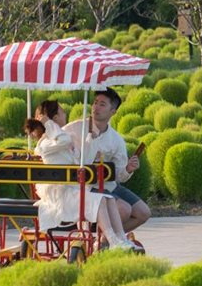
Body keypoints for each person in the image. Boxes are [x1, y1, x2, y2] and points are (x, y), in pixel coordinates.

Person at [24, 101, 142, 252]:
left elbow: (81, 160)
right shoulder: (46, 143)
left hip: (71, 191)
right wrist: (47, 123)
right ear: (53, 119)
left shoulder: (59, 140)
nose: (65, 114)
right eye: (62, 112)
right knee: (99, 199)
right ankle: (112, 240)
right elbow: (64, 140)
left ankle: (121, 239)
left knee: (108, 198)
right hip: (60, 196)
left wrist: (91, 141)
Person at [64, 88, 151, 240]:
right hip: (85, 186)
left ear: (113, 111)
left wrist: (129, 169)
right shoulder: (75, 128)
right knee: (124, 210)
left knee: (144, 213)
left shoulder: (116, 140)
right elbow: (54, 139)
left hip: (108, 185)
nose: (96, 107)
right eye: (95, 102)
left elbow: (120, 176)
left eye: (102, 104)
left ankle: (104, 239)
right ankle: (111, 240)